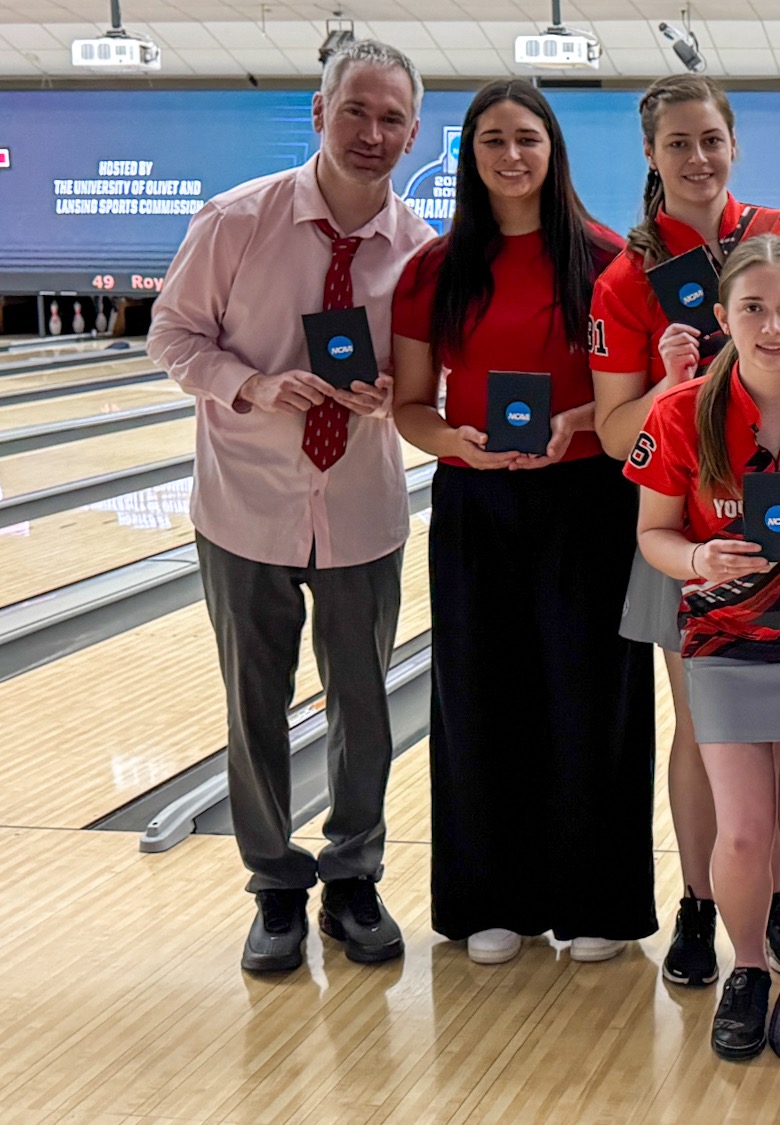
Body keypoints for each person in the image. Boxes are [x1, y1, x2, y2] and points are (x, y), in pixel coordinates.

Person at [148, 39, 432, 974]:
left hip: (359, 507)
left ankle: (354, 874)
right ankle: (274, 883)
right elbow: (172, 335)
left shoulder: (420, 248)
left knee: (363, 704)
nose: (373, 133)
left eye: (392, 117)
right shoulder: (237, 221)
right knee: (254, 703)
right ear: (320, 113)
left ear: (414, 132)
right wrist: (251, 385)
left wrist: (396, 392)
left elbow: (430, 378)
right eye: (357, 110)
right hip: (246, 507)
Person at [389, 79, 656, 967]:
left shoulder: (606, 258)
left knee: (593, 698)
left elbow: (632, 398)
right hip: (477, 501)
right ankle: (491, 895)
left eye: (527, 139)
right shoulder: (436, 267)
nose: (511, 155)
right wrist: (457, 444)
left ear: (553, 151)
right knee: (478, 695)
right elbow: (413, 407)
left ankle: (598, 902)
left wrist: (575, 424)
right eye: (492, 139)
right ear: (469, 154)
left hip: (587, 499)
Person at [589, 74, 780, 990]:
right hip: (690, 533)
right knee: (703, 731)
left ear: (733, 143)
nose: (698, 158)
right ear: (652, 157)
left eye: (711, 139)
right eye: (678, 144)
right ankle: (703, 900)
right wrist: (671, 383)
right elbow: (620, 434)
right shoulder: (626, 274)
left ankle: (773, 894)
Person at [626, 235, 780, 1063]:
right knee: (741, 832)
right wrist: (699, 559)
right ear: (724, 315)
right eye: (753, 308)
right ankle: (744, 967)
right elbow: (655, 535)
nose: (773, 326)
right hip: (724, 641)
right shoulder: (681, 410)